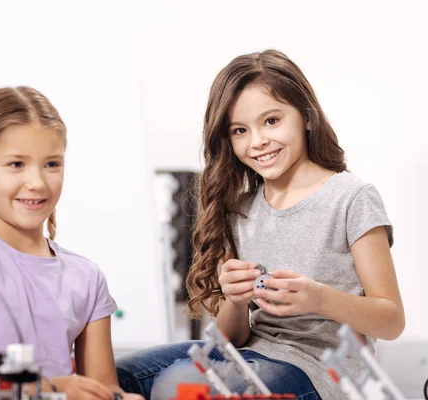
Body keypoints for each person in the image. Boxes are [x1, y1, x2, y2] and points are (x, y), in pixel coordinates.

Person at [115, 49, 405, 400]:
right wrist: (235, 301)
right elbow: (230, 338)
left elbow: (391, 320)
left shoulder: (350, 197)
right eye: (240, 130)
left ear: (307, 118)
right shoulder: (240, 210)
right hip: (250, 352)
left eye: (271, 121)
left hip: (320, 369)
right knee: (114, 376)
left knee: (178, 386)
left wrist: (319, 298)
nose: (257, 141)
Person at [0, 86, 143, 400]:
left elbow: (102, 386)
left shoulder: (86, 277)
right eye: (16, 164)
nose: (37, 183)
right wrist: (55, 388)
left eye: (51, 164)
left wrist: (118, 397)